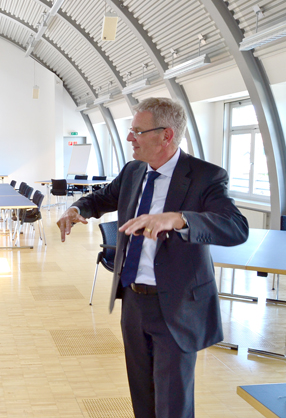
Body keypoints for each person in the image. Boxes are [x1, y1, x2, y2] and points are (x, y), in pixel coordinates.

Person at [57, 98, 248, 418]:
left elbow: (235, 227)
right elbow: (103, 197)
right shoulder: (133, 171)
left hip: (177, 305)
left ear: (166, 135)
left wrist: (180, 219)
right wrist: (77, 209)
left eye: (137, 131)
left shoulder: (206, 176)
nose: (129, 137)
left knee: (172, 405)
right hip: (133, 301)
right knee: (142, 399)